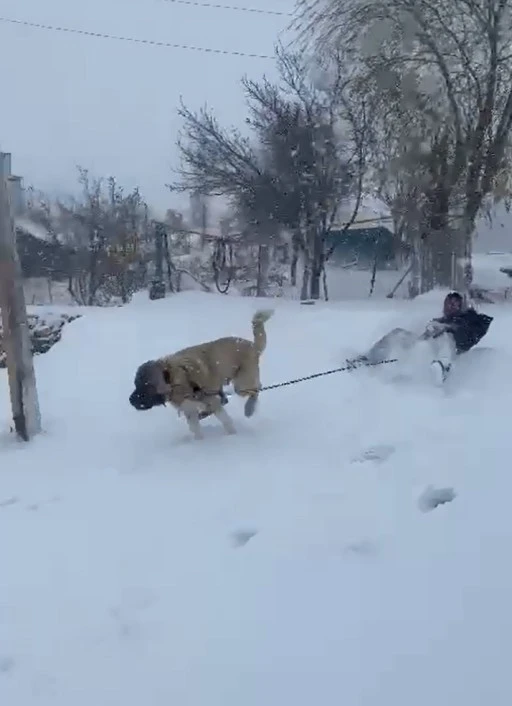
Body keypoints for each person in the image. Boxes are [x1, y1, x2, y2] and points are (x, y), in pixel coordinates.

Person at [348, 292, 494, 383]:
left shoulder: (469, 319)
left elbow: (471, 333)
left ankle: (443, 368)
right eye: (447, 303)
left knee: (446, 336)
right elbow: (422, 339)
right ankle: (369, 359)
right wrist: (422, 337)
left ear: (461, 306)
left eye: (454, 304)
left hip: (449, 351)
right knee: (398, 333)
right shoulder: (439, 320)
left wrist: (447, 328)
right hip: (428, 348)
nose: (450, 307)